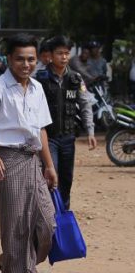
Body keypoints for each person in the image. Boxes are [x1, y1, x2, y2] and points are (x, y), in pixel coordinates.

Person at [0, 33, 58, 273]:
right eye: (20, 59)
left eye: (31, 59)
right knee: (16, 227)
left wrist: (49, 164)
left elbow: (41, 129)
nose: (26, 64)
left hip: (33, 160)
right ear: (9, 59)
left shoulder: (36, 88)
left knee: (47, 224)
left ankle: (8, 261)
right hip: (8, 161)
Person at [34, 36, 96, 209]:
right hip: (48, 138)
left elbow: (85, 105)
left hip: (68, 138)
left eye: (67, 53)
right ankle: (47, 217)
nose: (64, 57)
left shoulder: (76, 79)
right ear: (51, 55)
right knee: (50, 176)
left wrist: (90, 131)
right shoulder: (40, 79)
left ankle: (63, 215)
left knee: (66, 180)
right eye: (59, 53)